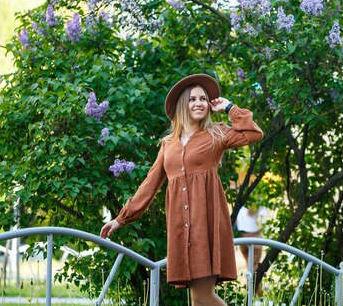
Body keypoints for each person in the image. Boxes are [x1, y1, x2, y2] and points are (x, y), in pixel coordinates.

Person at [100, 73, 263, 306]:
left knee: (203, 297)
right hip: (180, 228)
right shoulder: (168, 145)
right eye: (192, 99)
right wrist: (120, 219)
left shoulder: (217, 133)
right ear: (182, 105)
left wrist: (229, 107)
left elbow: (254, 133)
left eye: (203, 99)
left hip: (205, 224)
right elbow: (150, 184)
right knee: (197, 300)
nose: (198, 103)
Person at [235, 205, 267, 294]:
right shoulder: (260, 206)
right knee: (252, 267)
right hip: (252, 239)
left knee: (251, 267)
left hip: (243, 238)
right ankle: (254, 294)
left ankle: (253, 293)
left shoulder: (242, 206)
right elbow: (262, 225)